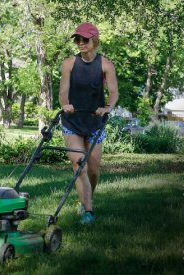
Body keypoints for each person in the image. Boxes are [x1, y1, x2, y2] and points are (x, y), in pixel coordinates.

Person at [59, 22, 119, 225]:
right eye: (77, 39)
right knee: (79, 165)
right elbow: (63, 91)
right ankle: (88, 210)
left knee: (93, 170)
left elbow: (113, 92)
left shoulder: (106, 65)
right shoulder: (69, 63)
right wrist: (65, 104)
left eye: (84, 39)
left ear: (95, 40)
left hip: (95, 121)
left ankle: (86, 199)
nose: (80, 43)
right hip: (72, 121)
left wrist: (107, 107)